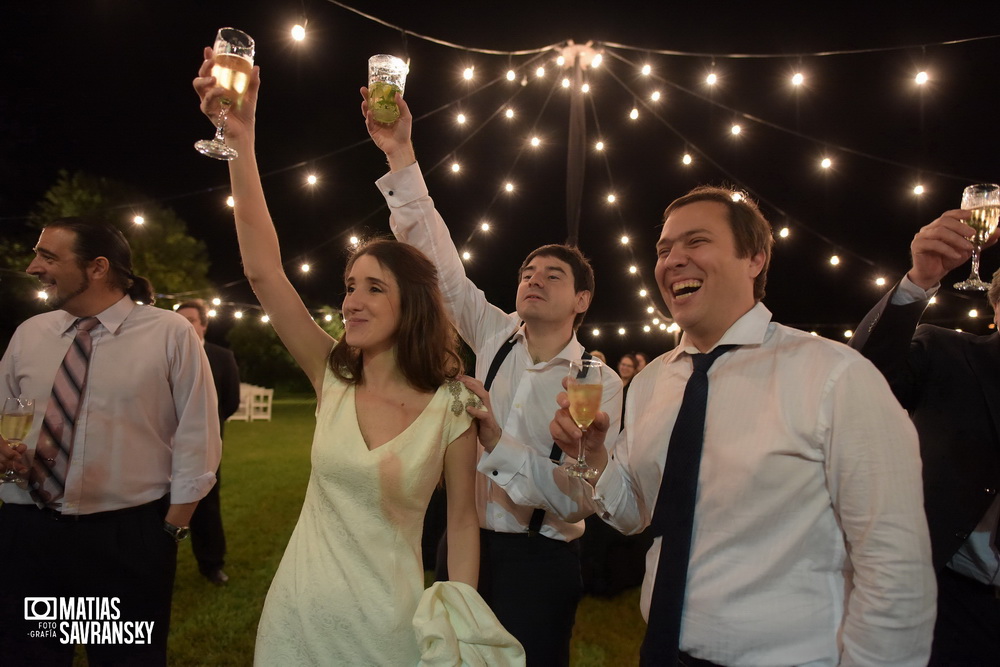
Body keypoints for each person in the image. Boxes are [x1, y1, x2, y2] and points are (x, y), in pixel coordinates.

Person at [550, 186, 936, 665]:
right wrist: (594, 458)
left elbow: (895, 567)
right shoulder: (651, 383)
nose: (673, 260)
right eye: (665, 249)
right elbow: (636, 516)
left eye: (696, 242)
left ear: (754, 258)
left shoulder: (834, 376)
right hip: (661, 651)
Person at [195, 51, 487, 665]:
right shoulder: (330, 373)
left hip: (389, 630)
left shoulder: (454, 405)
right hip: (296, 619)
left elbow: (462, 522)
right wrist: (241, 144)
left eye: (373, 288)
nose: (352, 301)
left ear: (413, 307)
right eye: (351, 285)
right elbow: (263, 271)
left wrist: (461, 623)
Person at [362, 88, 623, 664]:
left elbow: (577, 499)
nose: (533, 278)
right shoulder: (494, 333)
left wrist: (495, 442)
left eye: (552, 275)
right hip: (462, 543)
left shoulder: (596, 381)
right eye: (528, 270)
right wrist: (400, 157)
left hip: (539, 563)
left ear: (581, 300)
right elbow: (437, 261)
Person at [0, 217, 221, 666]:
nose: (31, 267)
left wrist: (170, 528)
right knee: (28, 657)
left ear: (97, 267)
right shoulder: (30, 335)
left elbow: (198, 433)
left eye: (47, 256)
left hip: (125, 542)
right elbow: (5, 413)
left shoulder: (168, 333)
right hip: (30, 536)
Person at [849, 209, 1000, 665]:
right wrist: (918, 281)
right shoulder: (949, 352)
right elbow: (865, 378)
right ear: (996, 306)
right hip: (948, 602)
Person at [176, 299, 241, 585]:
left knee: (206, 505)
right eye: (179, 320)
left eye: (190, 319)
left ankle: (212, 564)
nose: (184, 325)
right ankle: (159, 564)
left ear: (203, 324)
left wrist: (207, 428)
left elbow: (230, 401)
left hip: (205, 447)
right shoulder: (164, 354)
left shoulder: (221, 356)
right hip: (164, 444)